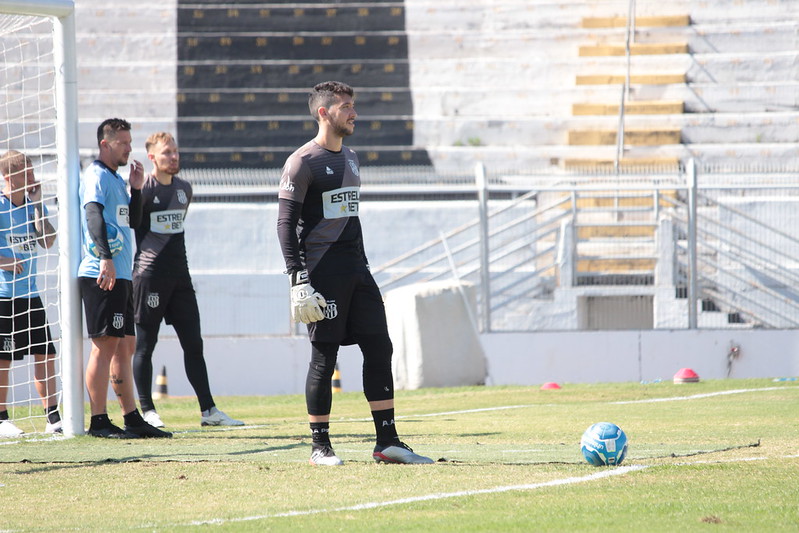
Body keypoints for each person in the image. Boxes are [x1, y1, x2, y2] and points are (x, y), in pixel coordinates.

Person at [276, 81, 434, 465]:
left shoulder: (352, 157)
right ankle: (320, 447)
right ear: (324, 113)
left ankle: (387, 442)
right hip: (322, 272)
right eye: (346, 106)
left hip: (358, 270)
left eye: (353, 105)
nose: (353, 113)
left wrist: (363, 266)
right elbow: (285, 224)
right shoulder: (301, 162)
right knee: (324, 357)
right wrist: (297, 278)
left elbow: (350, 217)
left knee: (380, 347)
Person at [131, 131, 244, 428]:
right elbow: (133, 224)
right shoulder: (143, 189)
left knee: (194, 344)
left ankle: (209, 411)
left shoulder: (185, 189)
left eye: (176, 152)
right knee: (145, 345)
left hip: (180, 277)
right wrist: (133, 191)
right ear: (152, 157)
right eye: (167, 152)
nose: (174, 157)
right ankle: (148, 411)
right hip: (149, 276)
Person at [78, 118, 171, 438]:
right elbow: (92, 216)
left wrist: (134, 189)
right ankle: (98, 421)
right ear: (105, 144)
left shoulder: (116, 179)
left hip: (120, 272)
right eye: (124, 143)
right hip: (101, 272)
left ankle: (131, 417)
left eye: (130, 142)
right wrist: (104, 258)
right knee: (103, 345)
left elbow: (133, 220)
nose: (130, 148)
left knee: (123, 346)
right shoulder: (95, 175)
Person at [0, 151, 61, 437]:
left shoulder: (32, 207)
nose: (32, 178)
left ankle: (53, 417)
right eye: (26, 173)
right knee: (4, 358)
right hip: (5, 296)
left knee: (46, 353)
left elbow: (48, 241)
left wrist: (37, 206)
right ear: (8, 177)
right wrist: (6, 262)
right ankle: (2, 419)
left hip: (31, 295)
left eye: (32, 172)